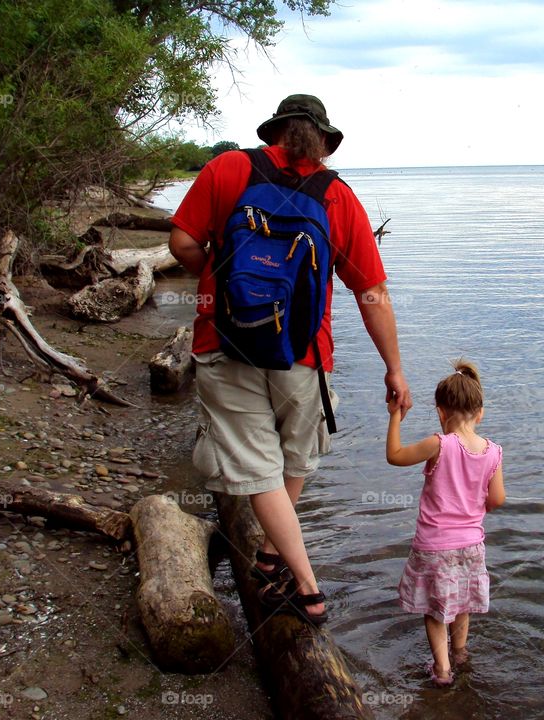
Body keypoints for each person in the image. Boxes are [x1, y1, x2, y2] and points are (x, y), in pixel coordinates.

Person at [169, 94, 412, 626]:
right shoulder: (337, 196)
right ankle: (307, 586)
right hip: (303, 353)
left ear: (274, 132)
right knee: (296, 459)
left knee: (257, 467)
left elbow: (183, 242)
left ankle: (274, 558)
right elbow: (371, 292)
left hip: (225, 341)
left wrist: (218, 276)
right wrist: (393, 368)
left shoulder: (230, 167)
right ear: (322, 141)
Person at [386, 360, 505, 685]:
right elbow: (496, 500)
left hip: (434, 546)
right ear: (480, 413)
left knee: (435, 608)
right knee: (462, 600)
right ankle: (461, 652)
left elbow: (395, 455)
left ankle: (441, 669)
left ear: (440, 412)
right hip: (471, 545)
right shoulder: (493, 452)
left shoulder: (439, 444)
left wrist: (395, 415)